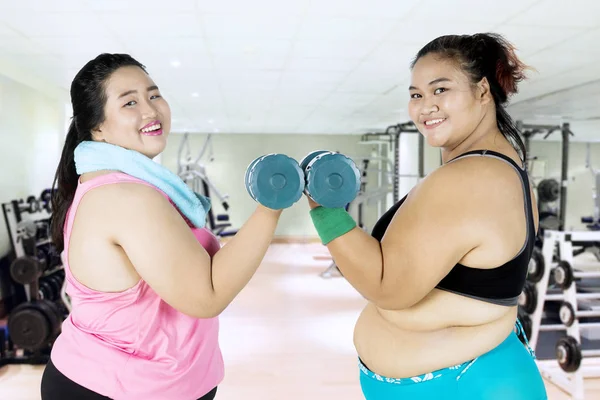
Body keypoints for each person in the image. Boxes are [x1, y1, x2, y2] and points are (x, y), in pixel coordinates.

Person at [307, 33, 548, 399]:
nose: (425, 106)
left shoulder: (473, 177)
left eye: (440, 90)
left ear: (483, 91)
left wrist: (321, 206)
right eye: (416, 94)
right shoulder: (492, 169)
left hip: (468, 386)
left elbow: (387, 286)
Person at [41, 53, 283, 400]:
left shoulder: (118, 186)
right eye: (130, 102)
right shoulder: (125, 197)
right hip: (113, 389)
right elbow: (206, 295)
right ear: (96, 126)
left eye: (153, 95)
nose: (150, 110)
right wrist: (271, 208)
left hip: (149, 383)